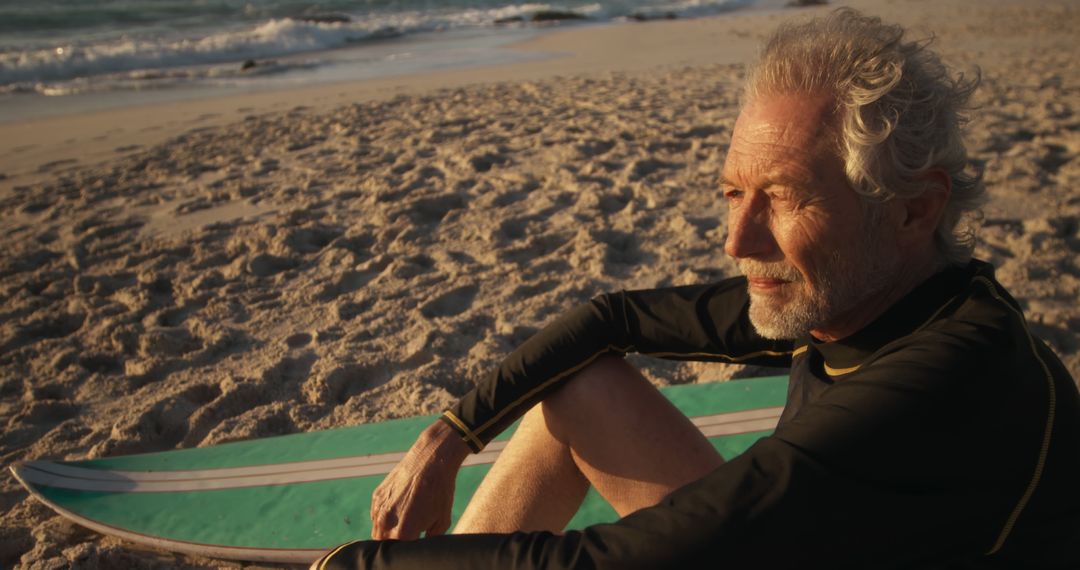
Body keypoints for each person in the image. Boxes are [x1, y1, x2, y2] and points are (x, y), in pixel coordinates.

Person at [313, 8, 1080, 569]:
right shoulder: (867, 289)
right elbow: (611, 320)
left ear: (915, 208)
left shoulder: (948, 373)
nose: (737, 242)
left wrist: (350, 565)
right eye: (731, 194)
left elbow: (619, 560)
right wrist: (451, 436)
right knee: (580, 390)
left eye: (782, 199)